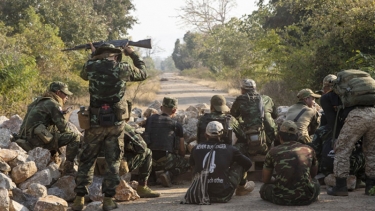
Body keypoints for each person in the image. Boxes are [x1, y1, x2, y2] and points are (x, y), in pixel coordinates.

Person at [72, 43, 147, 211]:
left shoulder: (91, 66)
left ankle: (79, 199)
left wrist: (93, 56)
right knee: (113, 160)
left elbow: (84, 73)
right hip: (116, 122)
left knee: (87, 159)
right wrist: (132, 54)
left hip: (95, 121)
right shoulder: (123, 68)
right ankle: (108, 199)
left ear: (99, 54)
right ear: (115, 54)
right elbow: (143, 73)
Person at [309, 75, 365, 185]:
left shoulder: (322, 130)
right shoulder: (356, 127)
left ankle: (335, 179)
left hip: (327, 168)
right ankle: (360, 179)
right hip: (353, 167)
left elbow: (314, 152)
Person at [17, 81, 80, 175]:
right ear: (58, 93)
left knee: (53, 134)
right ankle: (68, 169)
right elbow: (64, 129)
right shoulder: (53, 104)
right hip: (36, 142)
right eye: (65, 94)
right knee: (74, 137)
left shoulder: (39, 101)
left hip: (25, 138)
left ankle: (54, 159)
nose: (67, 97)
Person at [188, 121, 254, 203]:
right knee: (240, 164)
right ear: (222, 134)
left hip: (200, 194)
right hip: (223, 195)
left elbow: (192, 167)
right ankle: (242, 187)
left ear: (206, 134)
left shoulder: (196, 148)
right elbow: (248, 163)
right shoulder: (230, 149)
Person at [260, 120, 320, 205]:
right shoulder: (309, 150)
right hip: (306, 198)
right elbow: (313, 175)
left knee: (264, 188)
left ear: (280, 137)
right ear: (297, 136)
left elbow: (265, 179)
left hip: (280, 199)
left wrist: (276, 179)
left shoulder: (272, 152)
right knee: (315, 182)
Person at [143, 97, 190, 187]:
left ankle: (151, 178)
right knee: (187, 163)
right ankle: (169, 174)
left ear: (161, 108)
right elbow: (182, 150)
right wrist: (180, 157)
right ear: (174, 110)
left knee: (149, 153)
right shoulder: (176, 124)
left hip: (149, 159)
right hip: (166, 158)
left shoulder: (150, 120)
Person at [230, 79, 278, 155]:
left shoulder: (240, 100)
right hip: (268, 139)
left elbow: (233, 115)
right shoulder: (267, 99)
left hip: (249, 139)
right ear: (255, 88)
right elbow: (275, 115)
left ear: (242, 90)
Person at [120, 123, 160, 198]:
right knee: (147, 152)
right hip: (115, 166)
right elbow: (142, 147)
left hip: (96, 165)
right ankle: (142, 187)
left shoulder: (94, 125)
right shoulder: (123, 126)